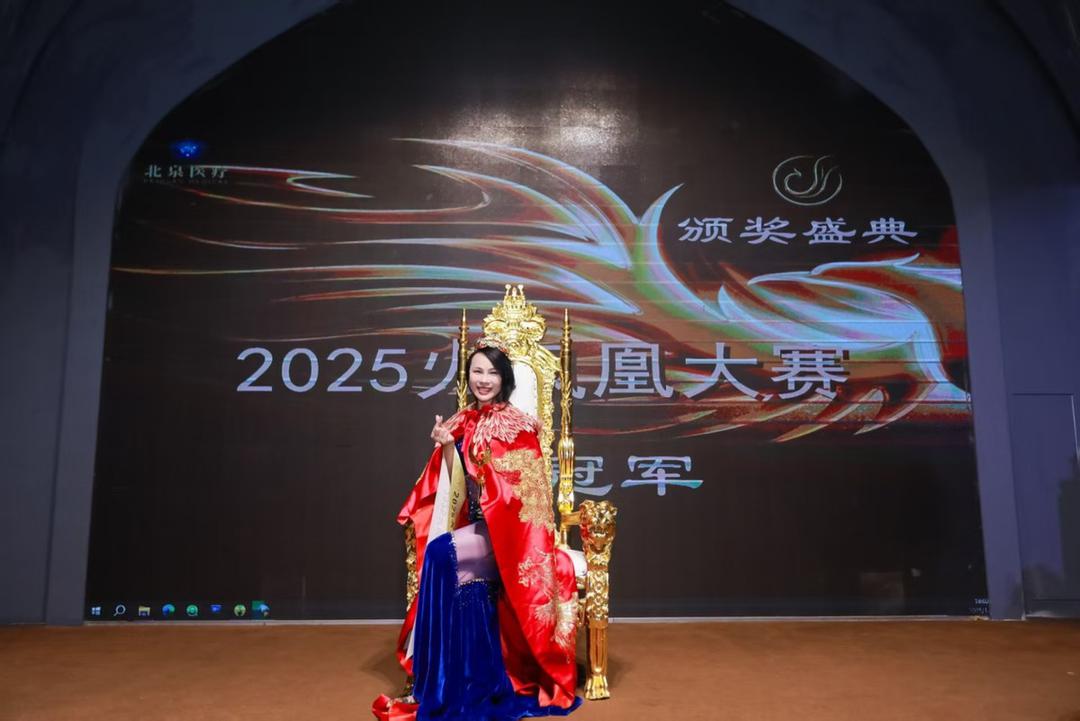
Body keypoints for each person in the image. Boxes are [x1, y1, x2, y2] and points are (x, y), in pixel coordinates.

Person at [372, 338, 581, 721]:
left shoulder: (518, 428)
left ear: (504, 379)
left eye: (492, 372)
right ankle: (454, 681)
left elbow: (525, 499)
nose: (483, 379)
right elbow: (452, 485)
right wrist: (447, 446)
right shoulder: (463, 420)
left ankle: (453, 682)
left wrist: (489, 480)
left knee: (441, 555)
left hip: (511, 540)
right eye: (477, 371)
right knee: (443, 558)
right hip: (478, 531)